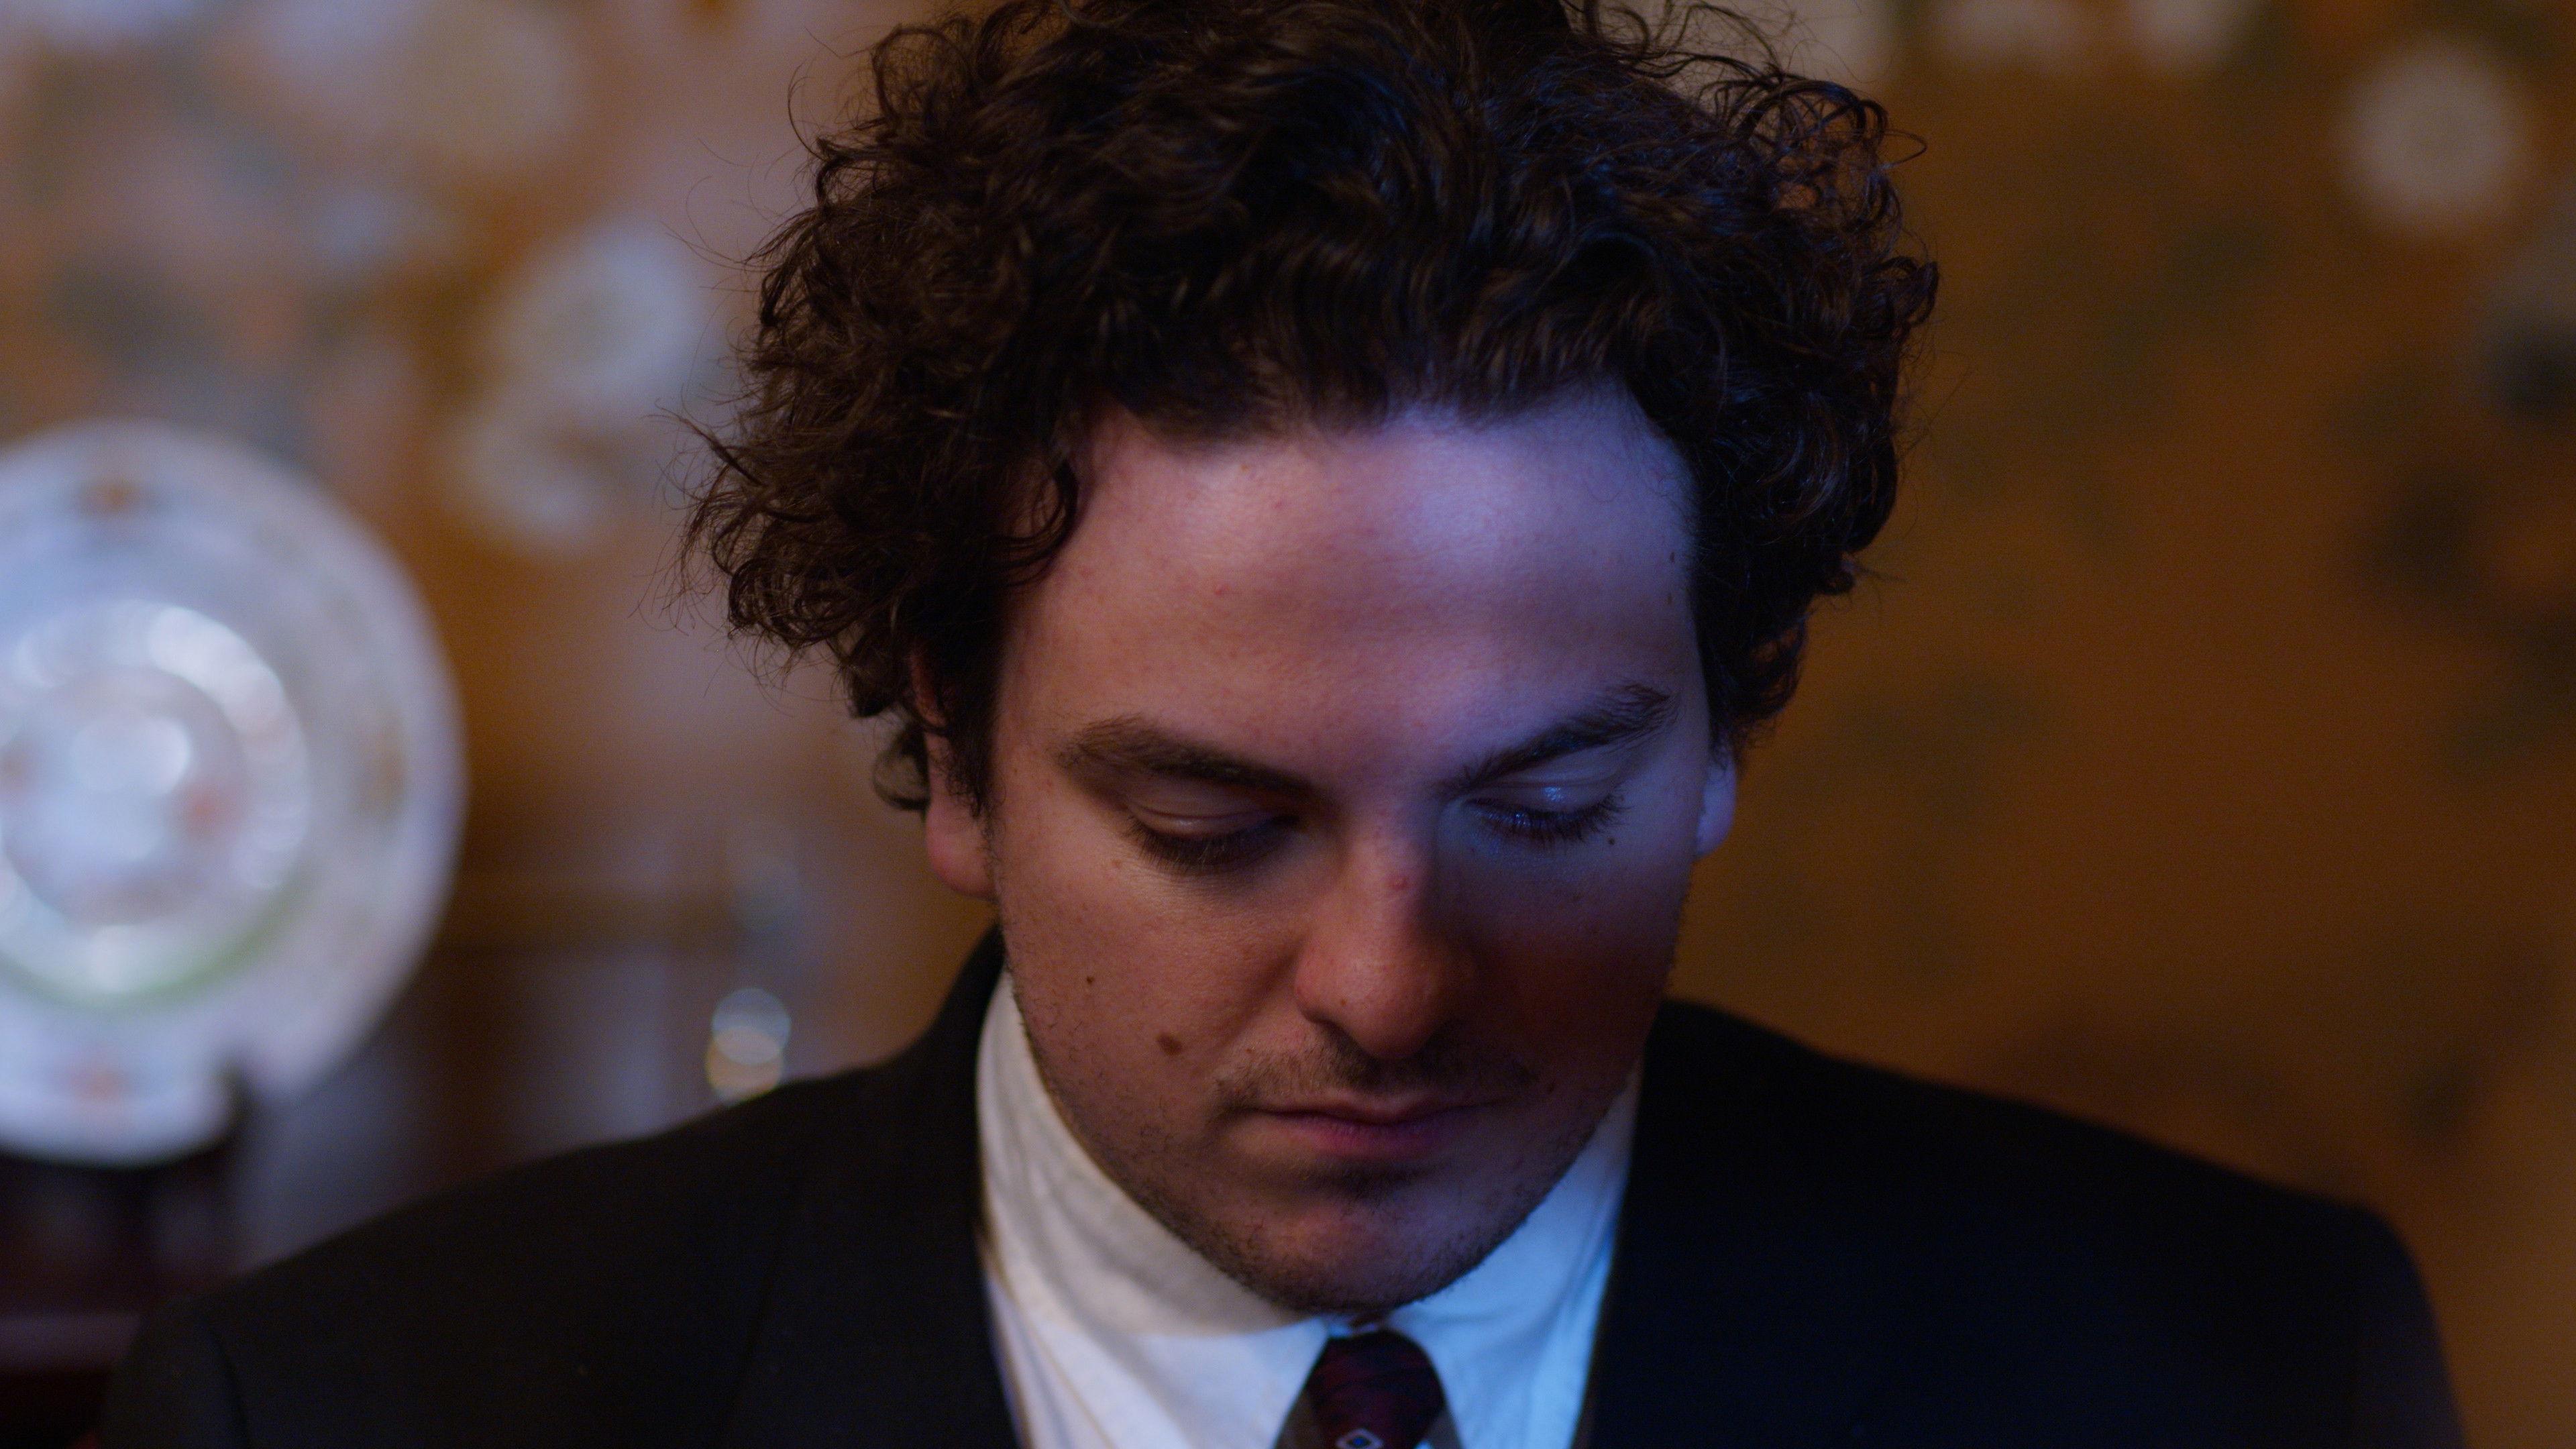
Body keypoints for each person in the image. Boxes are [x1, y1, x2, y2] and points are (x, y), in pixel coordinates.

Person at [105, 1, 2462, 1445]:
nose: (1390, 984)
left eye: (1547, 803)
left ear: (1728, 727)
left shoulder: (2248, 1372)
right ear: (952, 740)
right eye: (1215, 826)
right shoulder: (336, 1413)